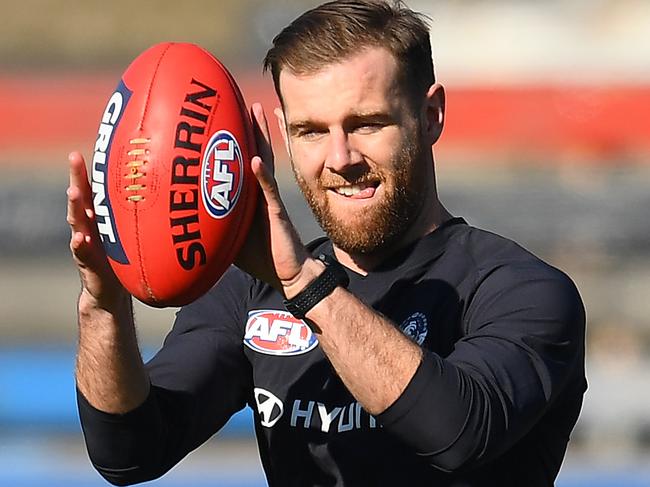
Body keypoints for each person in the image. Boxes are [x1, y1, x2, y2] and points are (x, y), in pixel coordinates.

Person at [67, 1, 586, 485]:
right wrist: (104, 307)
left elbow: (459, 434)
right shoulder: (251, 291)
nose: (340, 158)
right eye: (311, 131)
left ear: (430, 117)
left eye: (365, 124)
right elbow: (129, 451)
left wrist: (302, 285)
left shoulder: (523, 291)